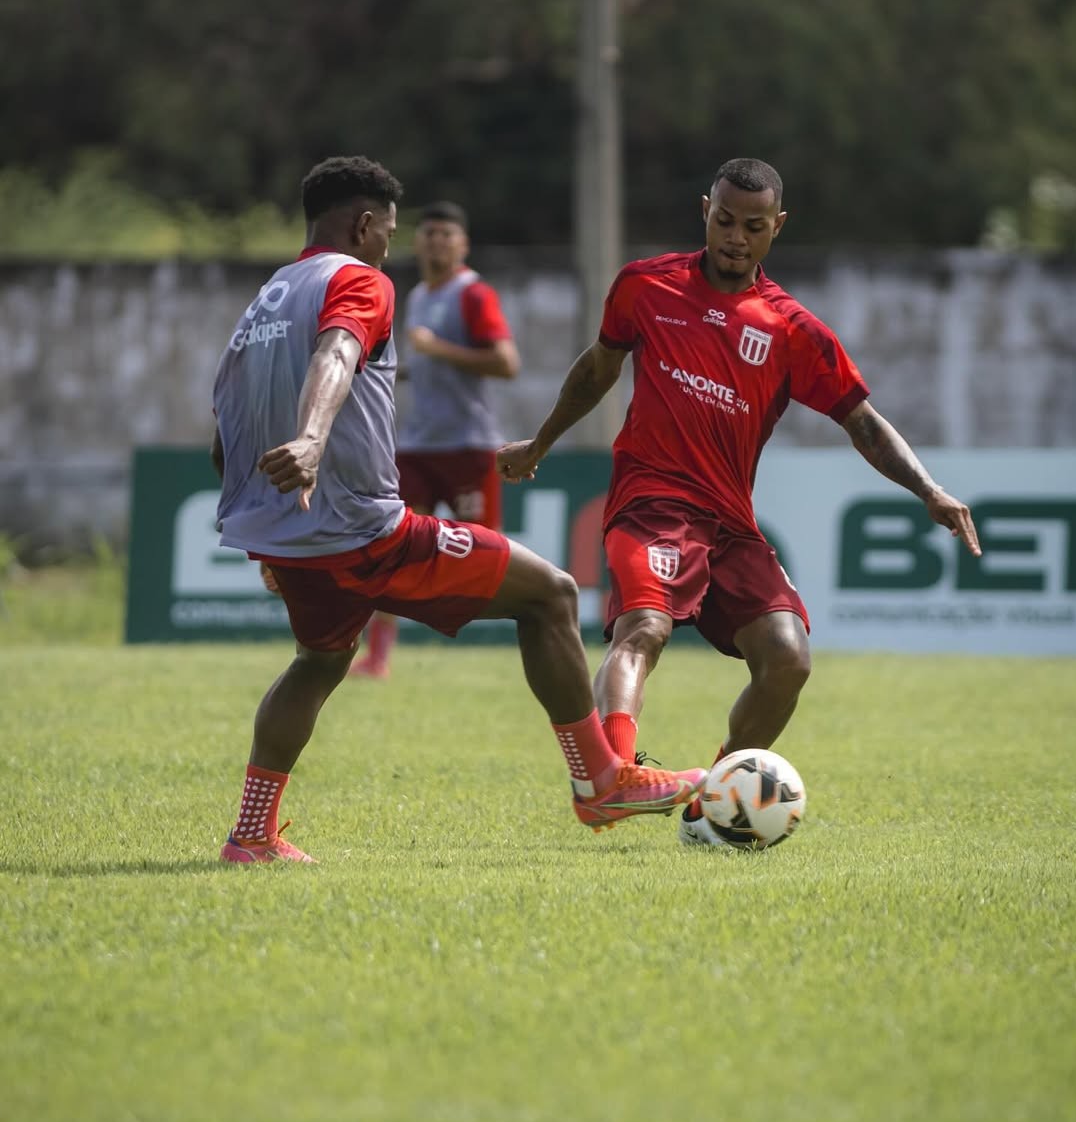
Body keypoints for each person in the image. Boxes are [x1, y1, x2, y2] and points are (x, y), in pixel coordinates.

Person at [210, 154, 705, 863]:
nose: (394, 243)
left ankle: (252, 833)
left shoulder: (268, 297)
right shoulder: (359, 279)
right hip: (362, 528)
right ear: (365, 223)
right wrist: (315, 437)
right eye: (389, 229)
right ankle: (601, 778)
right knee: (551, 594)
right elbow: (340, 352)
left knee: (319, 661)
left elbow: (224, 419)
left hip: (292, 532)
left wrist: (263, 527)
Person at [497, 156, 982, 849]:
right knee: (645, 627)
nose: (735, 236)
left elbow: (863, 421)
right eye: (725, 220)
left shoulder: (792, 330)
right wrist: (541, 441)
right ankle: (611, 778)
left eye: (753, 226)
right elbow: (598, 368)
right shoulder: (646, 285)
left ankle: (715, 799)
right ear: (705, 210)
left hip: (731, 524)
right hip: (652, 502)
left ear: (776, 228)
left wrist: (927, 488)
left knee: (788, 660)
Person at [350, 200, 520, 679]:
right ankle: (378, 657)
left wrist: (435, 350)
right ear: (416, 241)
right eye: (429, 233)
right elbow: (426, 363)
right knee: (391, 546)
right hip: (417, 448)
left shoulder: (474, 294)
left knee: (485, 554)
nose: (437, 242)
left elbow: (507, 363)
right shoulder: (419, 294)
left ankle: (529, 633)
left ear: (463, 244)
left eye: (447, 234)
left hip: (468, 447)